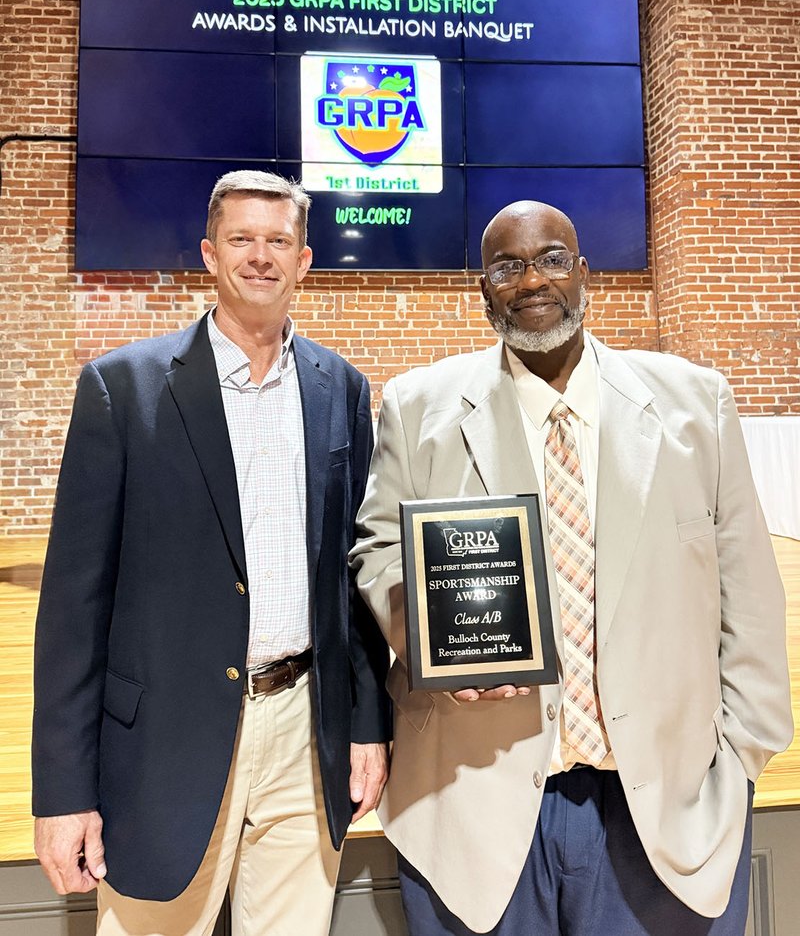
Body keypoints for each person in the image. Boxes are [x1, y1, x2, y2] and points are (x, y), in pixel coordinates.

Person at [350, 199, 793, 936]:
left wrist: (744, 755)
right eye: (508, 267)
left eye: (552, 259)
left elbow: (748, 589)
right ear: (483, 289)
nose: (532, 280)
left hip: (667, 803)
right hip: (474, 796)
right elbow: (378, 552)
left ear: (585, 272)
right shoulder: (417, 407)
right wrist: (430, 644)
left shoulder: (694, 403)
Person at [32, 170, 391, 936]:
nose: (260, 256)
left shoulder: (342, 390)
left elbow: (353, 579)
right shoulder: (121, 390)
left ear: (304, 260)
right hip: (165, 738)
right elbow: (72, 609)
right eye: (241, 239)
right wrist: (62, 792)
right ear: (209, 253)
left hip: (304, 730)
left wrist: (367, 723)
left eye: (278, 241)